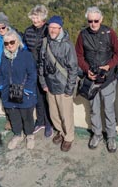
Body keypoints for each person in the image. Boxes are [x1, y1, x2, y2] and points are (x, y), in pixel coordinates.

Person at [75, 6, 118, 152]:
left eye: (96, 20)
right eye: (90, 21)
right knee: (94, 109)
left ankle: (111, 137)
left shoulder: (110, 33)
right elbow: (78, 55)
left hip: (108, 79)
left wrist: (109, 66)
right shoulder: (82, 35)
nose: (93, 23)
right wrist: (87, 70)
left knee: (109, 110)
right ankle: (97, 134)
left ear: (101, 19)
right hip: (91, 80)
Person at [39, 16, 78, 152]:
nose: (52, 30)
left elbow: (73, 68)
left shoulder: (67, 45)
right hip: (50, 85)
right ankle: (61, 132)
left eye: (55, 27)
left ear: (60, 28)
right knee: (54, 114)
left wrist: (69, 89)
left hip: (63, 86)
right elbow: (41, 64)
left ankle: (69, 137)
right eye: (50, 27)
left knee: (66, 115)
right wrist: (43, 82)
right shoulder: (45, 42)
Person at [0, 28, 38, 150]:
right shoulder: (4, 56)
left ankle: (29, 135)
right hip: (9, 91)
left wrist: (28, 89)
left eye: (12, 42)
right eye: (6, 43)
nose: (9, 45)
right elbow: (1, 74)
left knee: (27, 115)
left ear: (18, 41)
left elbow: (32, 74)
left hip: (24, 91)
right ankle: (17, 134)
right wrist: (1, 86)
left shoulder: (26, 55)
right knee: (14, 115)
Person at [23, 4, 53, 137]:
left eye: (38, 18)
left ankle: (49, 123)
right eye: (34, 18)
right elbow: (24, 50)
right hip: (32, 69)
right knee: (37, 97)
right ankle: (40, 121)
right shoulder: (28, 31)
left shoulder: (49, 31)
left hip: (46, 71)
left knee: (47, 98)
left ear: (44, 19)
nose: (35, 21)